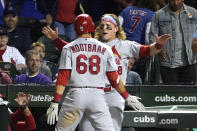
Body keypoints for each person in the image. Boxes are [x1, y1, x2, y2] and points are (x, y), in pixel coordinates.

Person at [42, 13, 171, 131]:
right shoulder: (97, 45)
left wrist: (158, 45)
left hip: (114, 94)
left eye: (109, 27)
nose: (104, 29)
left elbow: (148, 51)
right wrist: (56, 40)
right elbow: (72, 49)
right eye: (102, 26)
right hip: (98, 93)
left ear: (117, 29)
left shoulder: (126, 45)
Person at [149, 0, 197, 84]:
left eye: (177, 0)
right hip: (167, 63)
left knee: (189, 94)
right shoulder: (159, 15)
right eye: (172, 0)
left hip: (190, 61)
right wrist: (159, 50)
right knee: (170, 94)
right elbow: (152, 36)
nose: (175, 3)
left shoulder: (194, 13)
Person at [118, 0, 157, 83]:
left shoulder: (126, 10)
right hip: (138, 52)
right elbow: (147, 36)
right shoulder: (150, 14)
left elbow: (116, 28)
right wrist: (148, 51)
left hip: (123, 49)